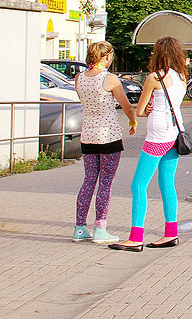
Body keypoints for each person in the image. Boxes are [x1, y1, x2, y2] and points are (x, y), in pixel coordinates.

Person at [109, 36, 188, 252]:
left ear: (158, 53)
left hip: (157, 134)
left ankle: (135, 237)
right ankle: (171, 233)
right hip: (175, 131)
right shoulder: (181, 76)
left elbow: (141, 110)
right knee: (166, 183)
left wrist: (149, 108)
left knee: (138, 185)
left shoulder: (155, 77)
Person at [72, 41, 137, 244]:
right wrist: (132, 120)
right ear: (107, 56)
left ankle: (80, 227)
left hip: (88, 135)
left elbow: (85, 103)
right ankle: (100, 226)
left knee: (89, 180)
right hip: (108, 136)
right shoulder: (109, 79)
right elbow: (126, 105)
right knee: (105, 183)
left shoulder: (79, 79)